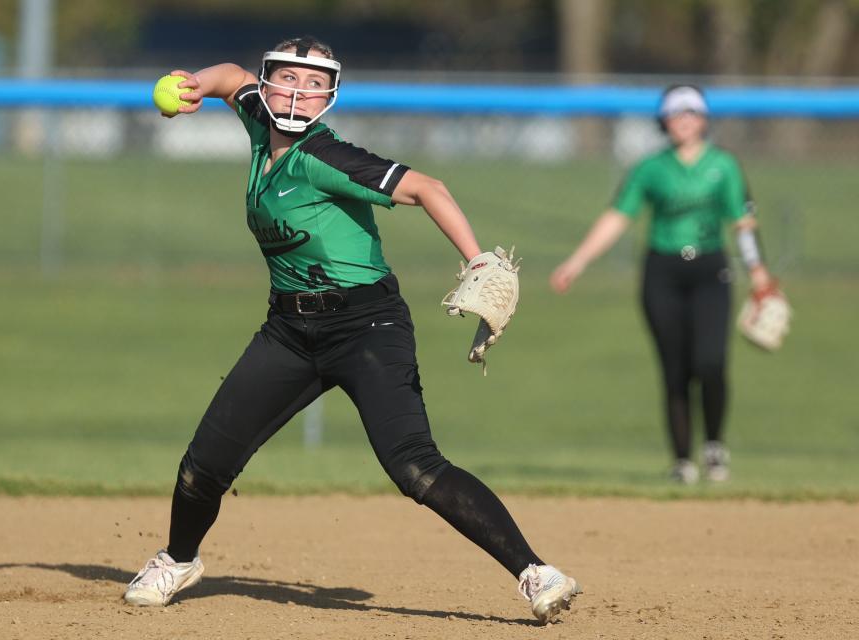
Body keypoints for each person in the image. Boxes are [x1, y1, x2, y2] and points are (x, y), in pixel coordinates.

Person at [123, 36, 580, 624]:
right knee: (203, 464)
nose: (299, 90)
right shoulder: (261, 122)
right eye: (288, 76)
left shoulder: (325, 156)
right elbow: (229, 74)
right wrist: (190, 84)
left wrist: (478, 261)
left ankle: (536, 572)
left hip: (368, 326)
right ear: (269, 83)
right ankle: (177, 560)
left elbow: (427, 188)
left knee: (415, 466)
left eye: (314, 83)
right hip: (288, 330)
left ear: (328, 96)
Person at [550, 84, 776, 485]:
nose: (684, 120)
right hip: (663, 272)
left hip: (710, 270)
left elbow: (742, 222)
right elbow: (618, 216)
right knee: (675, 368)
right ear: (664, 122)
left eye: (691, 112)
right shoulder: (650, 168)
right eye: (675, 113)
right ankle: (682, 459)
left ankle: (714, 446)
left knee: (710, 362)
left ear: (704, 120)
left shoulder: (723, 165)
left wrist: (758, 272)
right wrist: (578, 261)